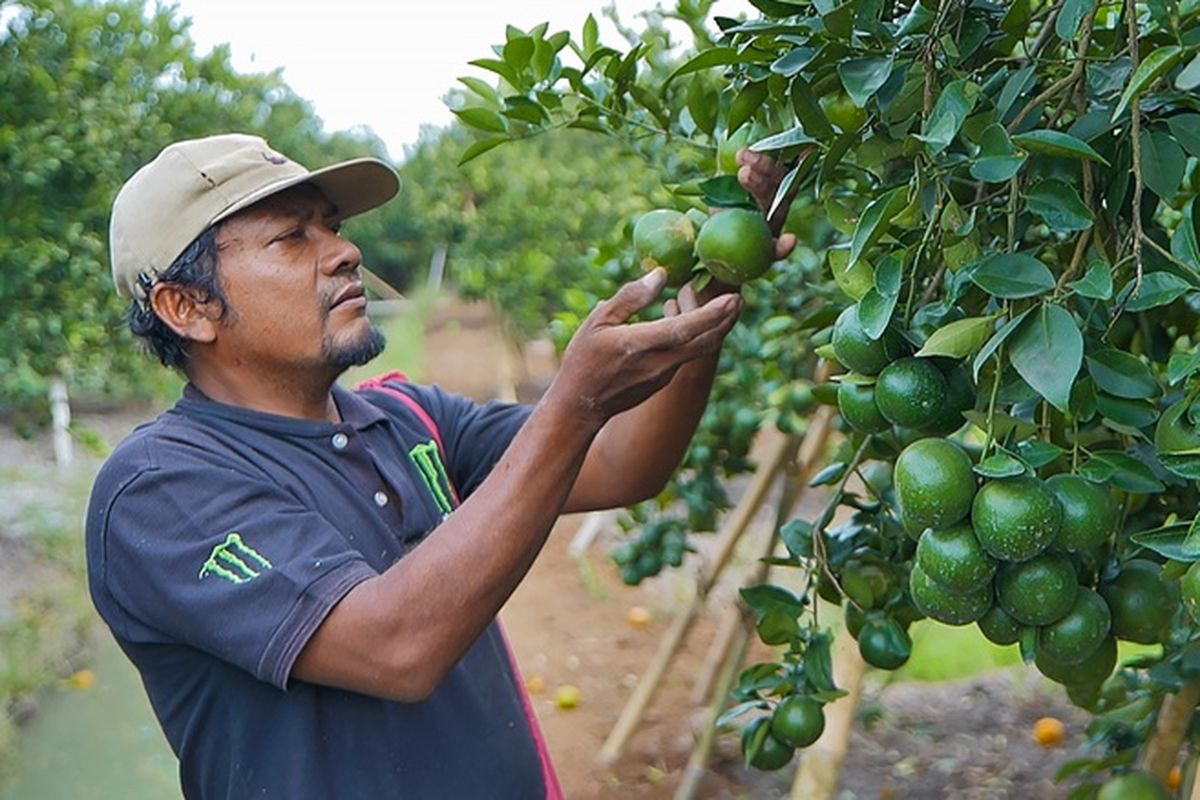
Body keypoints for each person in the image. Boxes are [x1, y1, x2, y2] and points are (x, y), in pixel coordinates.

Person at [85, 132, 795, 799]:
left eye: (331, 226)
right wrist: (573, 403)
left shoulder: (405, 418)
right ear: (188, 306)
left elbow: (620, 464)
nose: (343, 251)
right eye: (293, 236)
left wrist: (712, 284)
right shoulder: (160, 489)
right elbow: (396, 648)